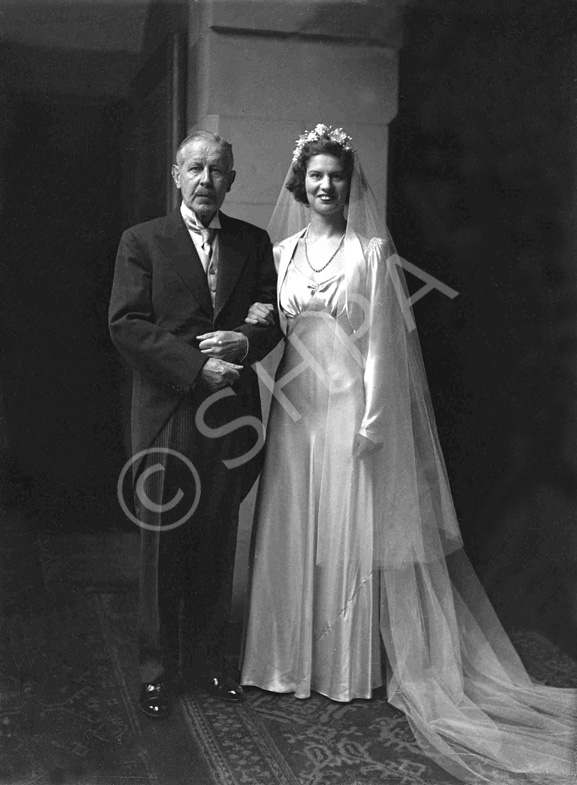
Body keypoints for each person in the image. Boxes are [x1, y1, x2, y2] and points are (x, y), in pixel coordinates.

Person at [240, 125, 577, 783]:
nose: (325, 186)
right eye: (315, 176)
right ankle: (281, 661)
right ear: (298, 183)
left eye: (336, 175)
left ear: (349, 183)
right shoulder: (278, 254)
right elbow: (263, 327)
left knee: (342, 531)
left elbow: (383, 351)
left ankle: (340, 664)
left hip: (348, 411)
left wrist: (370, 422)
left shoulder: (370, 254)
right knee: (290, 529)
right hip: (293, 409)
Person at [109, 130, 280, 719]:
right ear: (177, 176)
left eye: (218, 170)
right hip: (167, 411)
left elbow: (271, 317)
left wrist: (245, 341)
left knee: (215, 534)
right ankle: (157, 671)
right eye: (196, 169)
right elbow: (127, 324)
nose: (206, 180)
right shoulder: (142, 241)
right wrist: (194, 366)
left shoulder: (254, 243)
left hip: (231, 413)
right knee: (162, 539)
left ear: (231, 180)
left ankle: (210, 661)